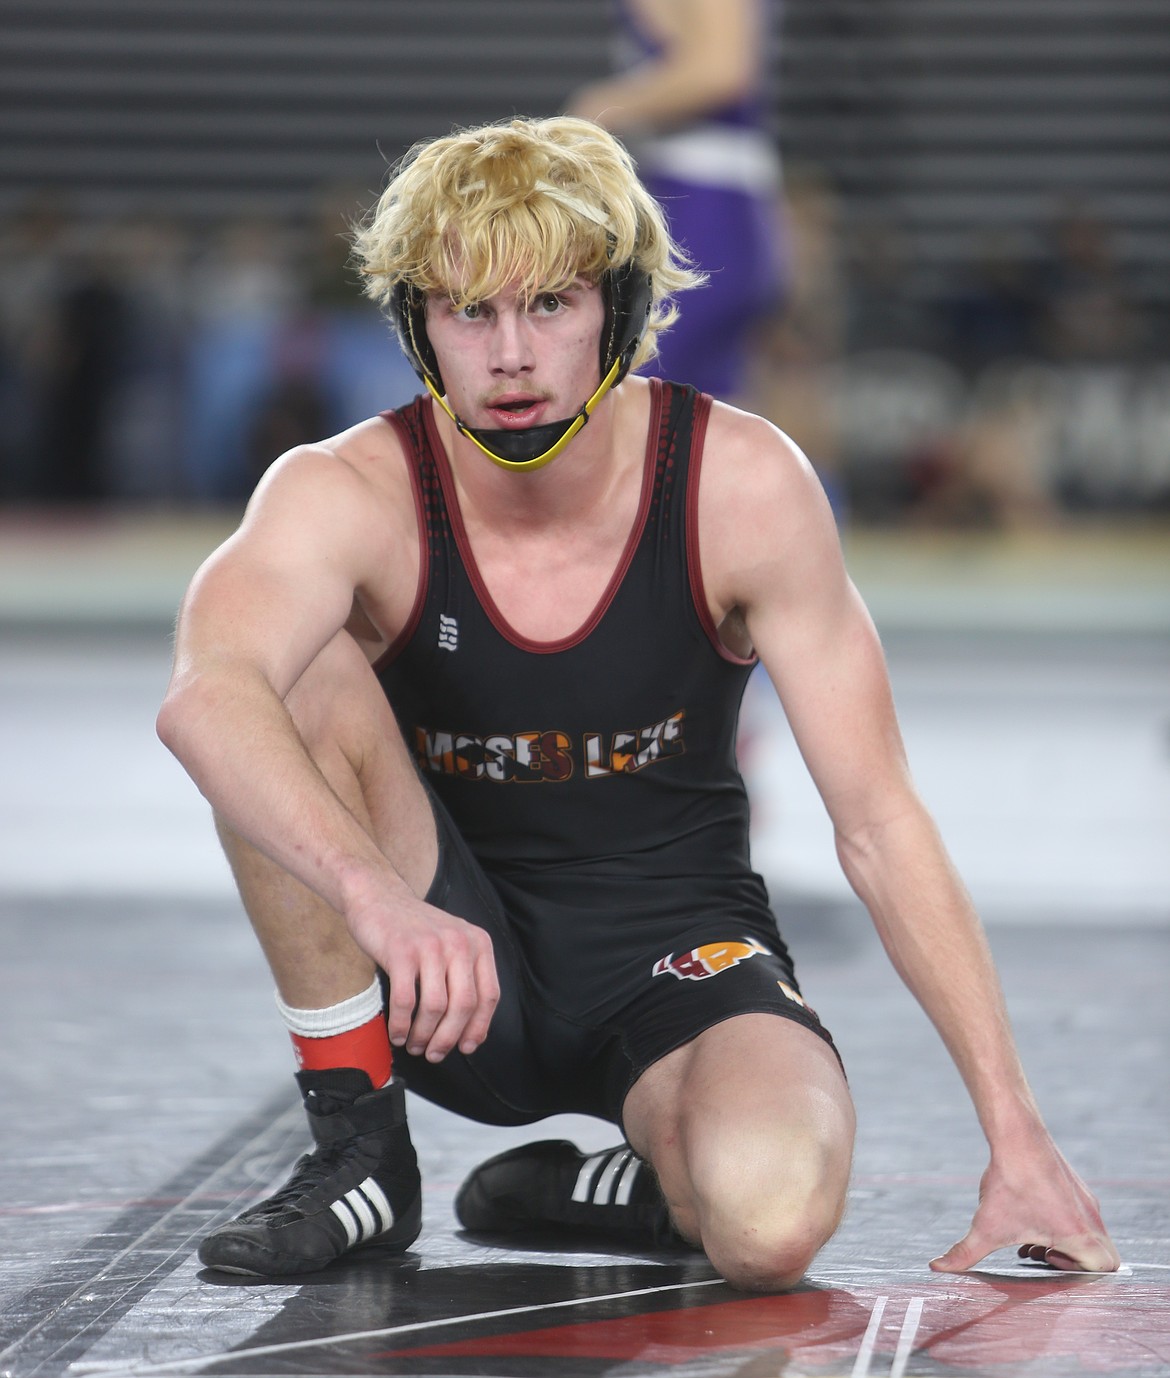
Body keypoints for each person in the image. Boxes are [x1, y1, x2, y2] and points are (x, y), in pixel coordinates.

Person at [157, 115, 1118, 1291]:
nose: (512, 356)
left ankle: (613, 1183)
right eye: (470, 312)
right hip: (438, 957)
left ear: (616, 308)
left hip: (676, 958)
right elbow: (204, 697)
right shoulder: (343, 491)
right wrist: (374, 896)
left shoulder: (740, 486)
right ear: (417, 324)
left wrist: (1015, 1131)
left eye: (549, 305)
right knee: (282, 674)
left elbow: (878, 818)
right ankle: (360, 1154)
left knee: (770, 1226)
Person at [567, 0, 787, 401]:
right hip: (705, 207)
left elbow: (722, 69)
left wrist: (600, 108)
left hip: (707, 216)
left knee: (634, 402)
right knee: (697, 416)